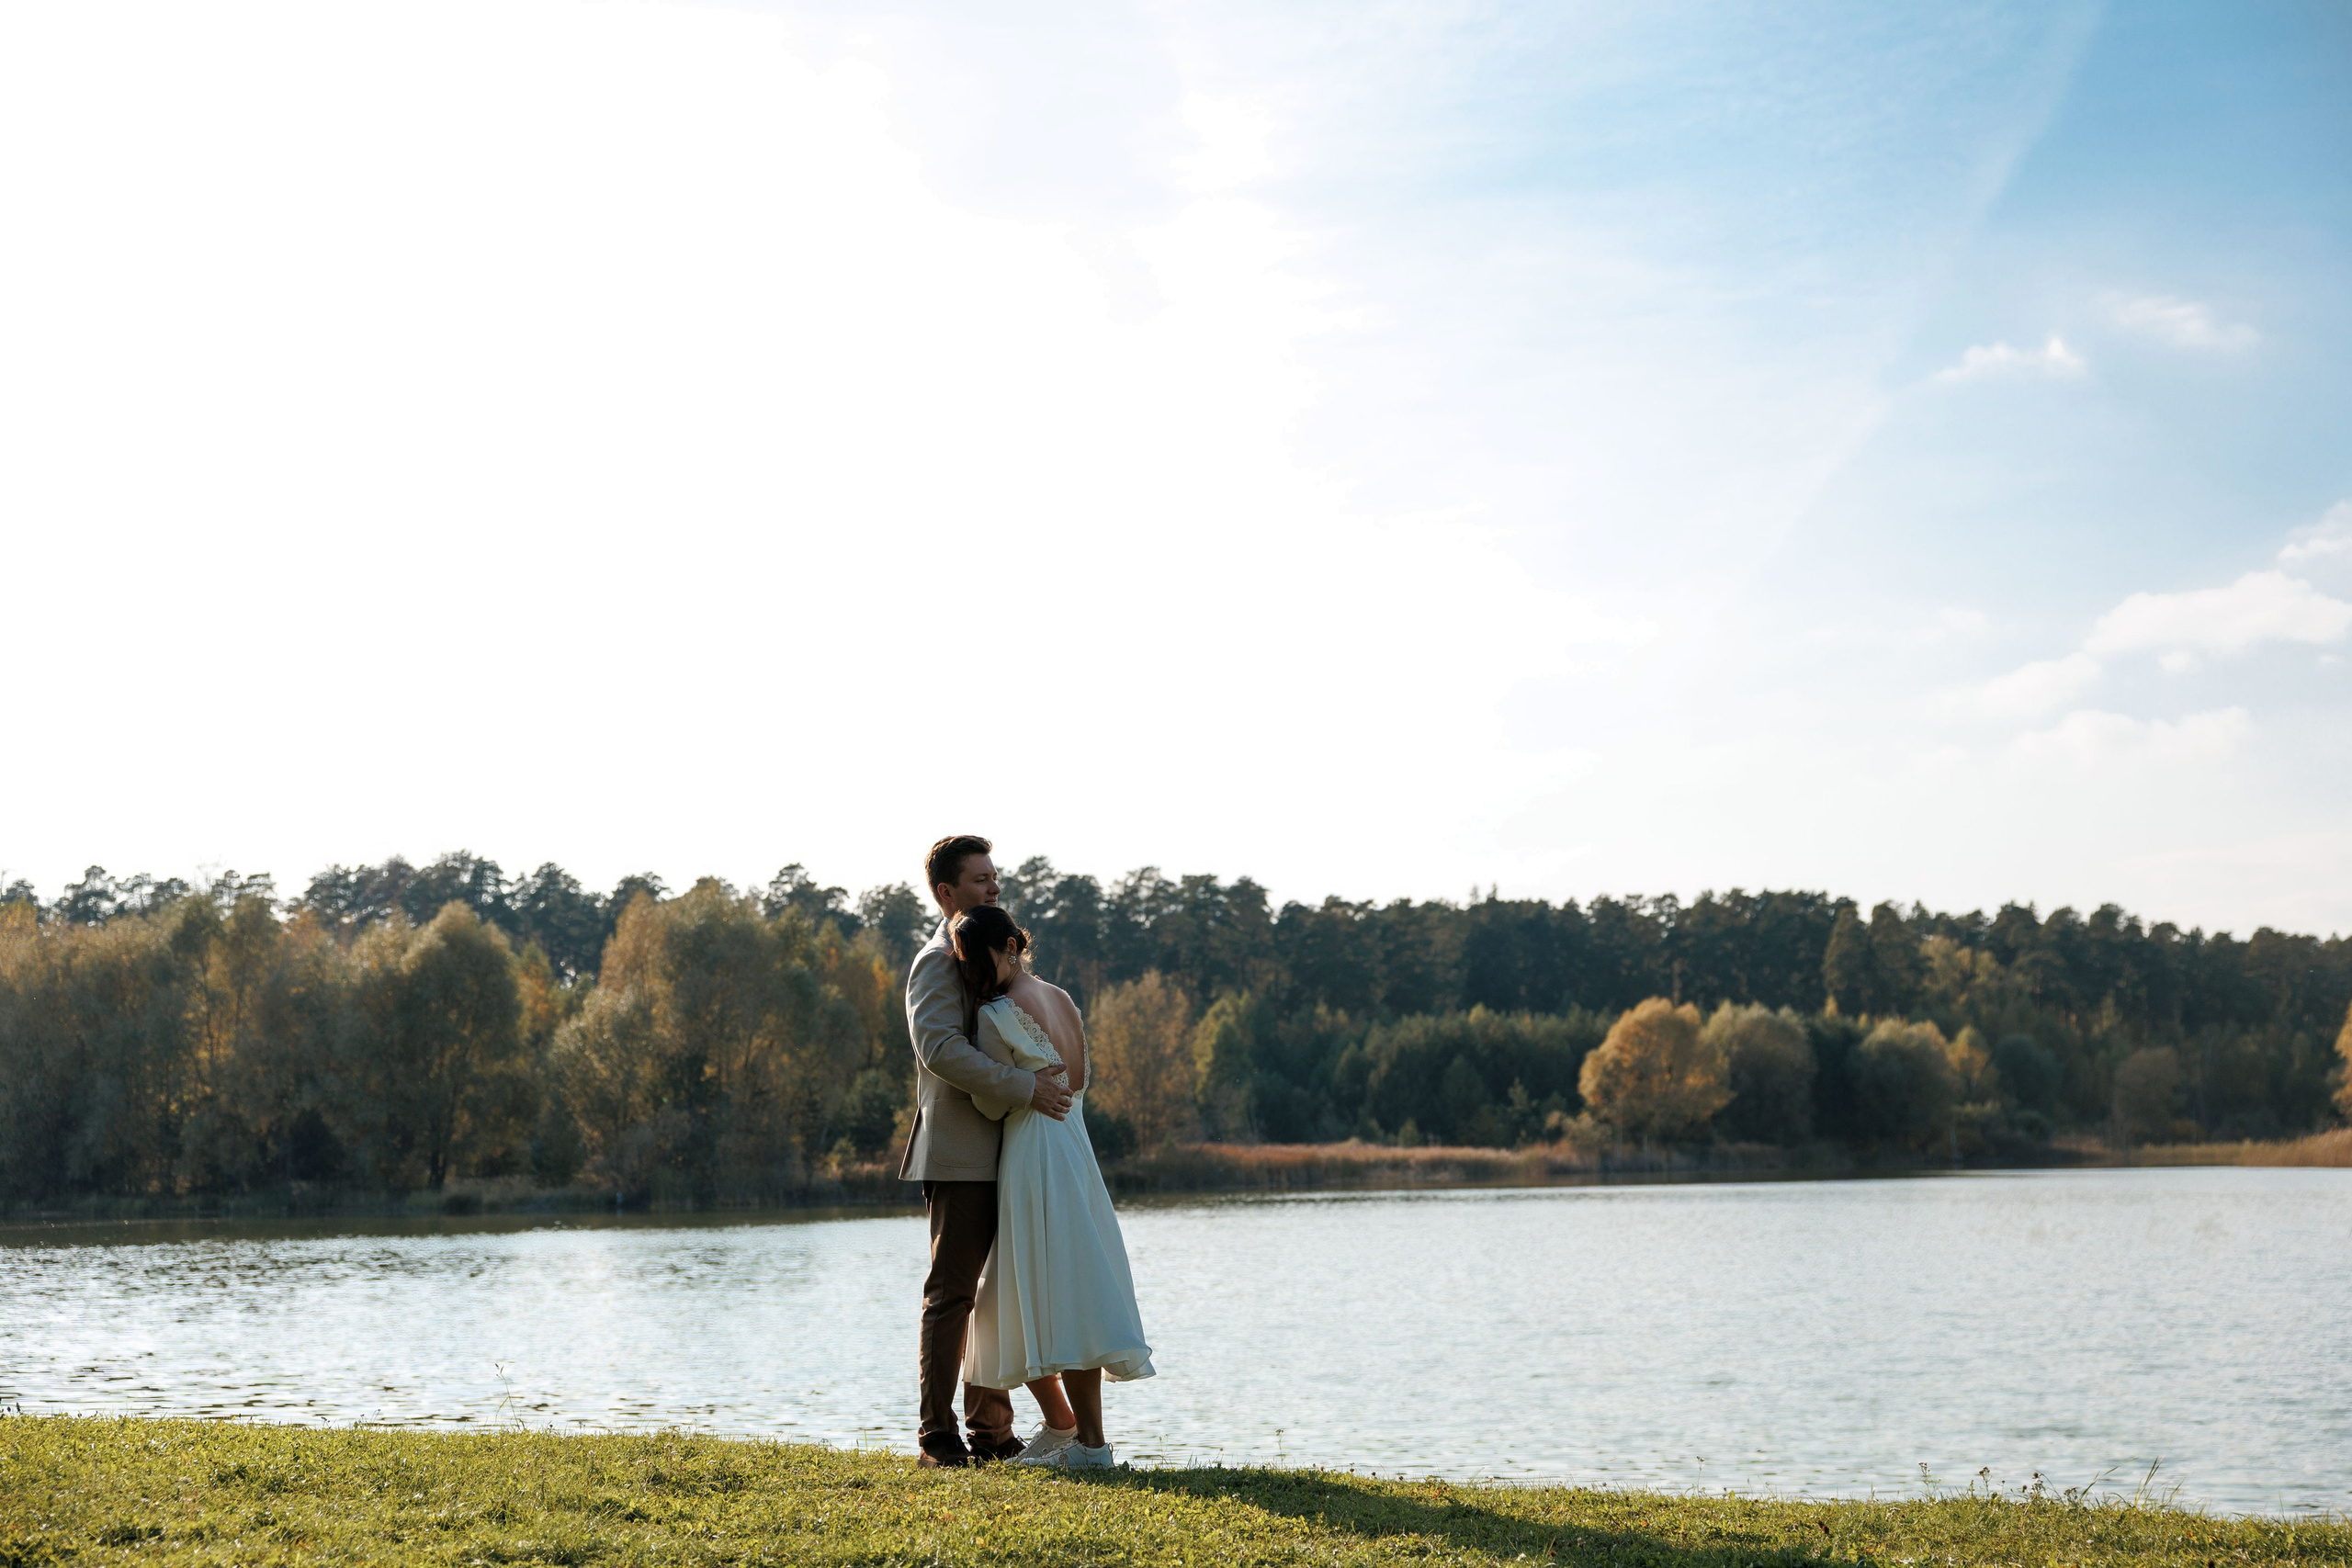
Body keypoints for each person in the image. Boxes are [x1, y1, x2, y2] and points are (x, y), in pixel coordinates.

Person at [953, 903, 1155, 1470]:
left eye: (979, 959)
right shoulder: (1063, 999)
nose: (974, 972)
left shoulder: (994, 1013)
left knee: (1039, 1290)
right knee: (1072, 1288)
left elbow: (991, 1102)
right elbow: (1079, 1080)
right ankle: (1080, 1436)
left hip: (1034, 1154)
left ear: (1013, 946)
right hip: (1076, 1149)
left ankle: (1083, 1441)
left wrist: (1001, 1084)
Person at [899, 834, 1075, 1469]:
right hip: (961, 1153)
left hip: (1016, 1150)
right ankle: (936, 1435)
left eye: (995, 877)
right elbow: (940, 1049)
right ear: (946, 892)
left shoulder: (992, 954)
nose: (993, 887)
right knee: (953, 1294)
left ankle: (993, 1432)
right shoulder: (935, 961)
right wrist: (1026, 1087)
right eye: (979, 879)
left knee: (1000, 1294)